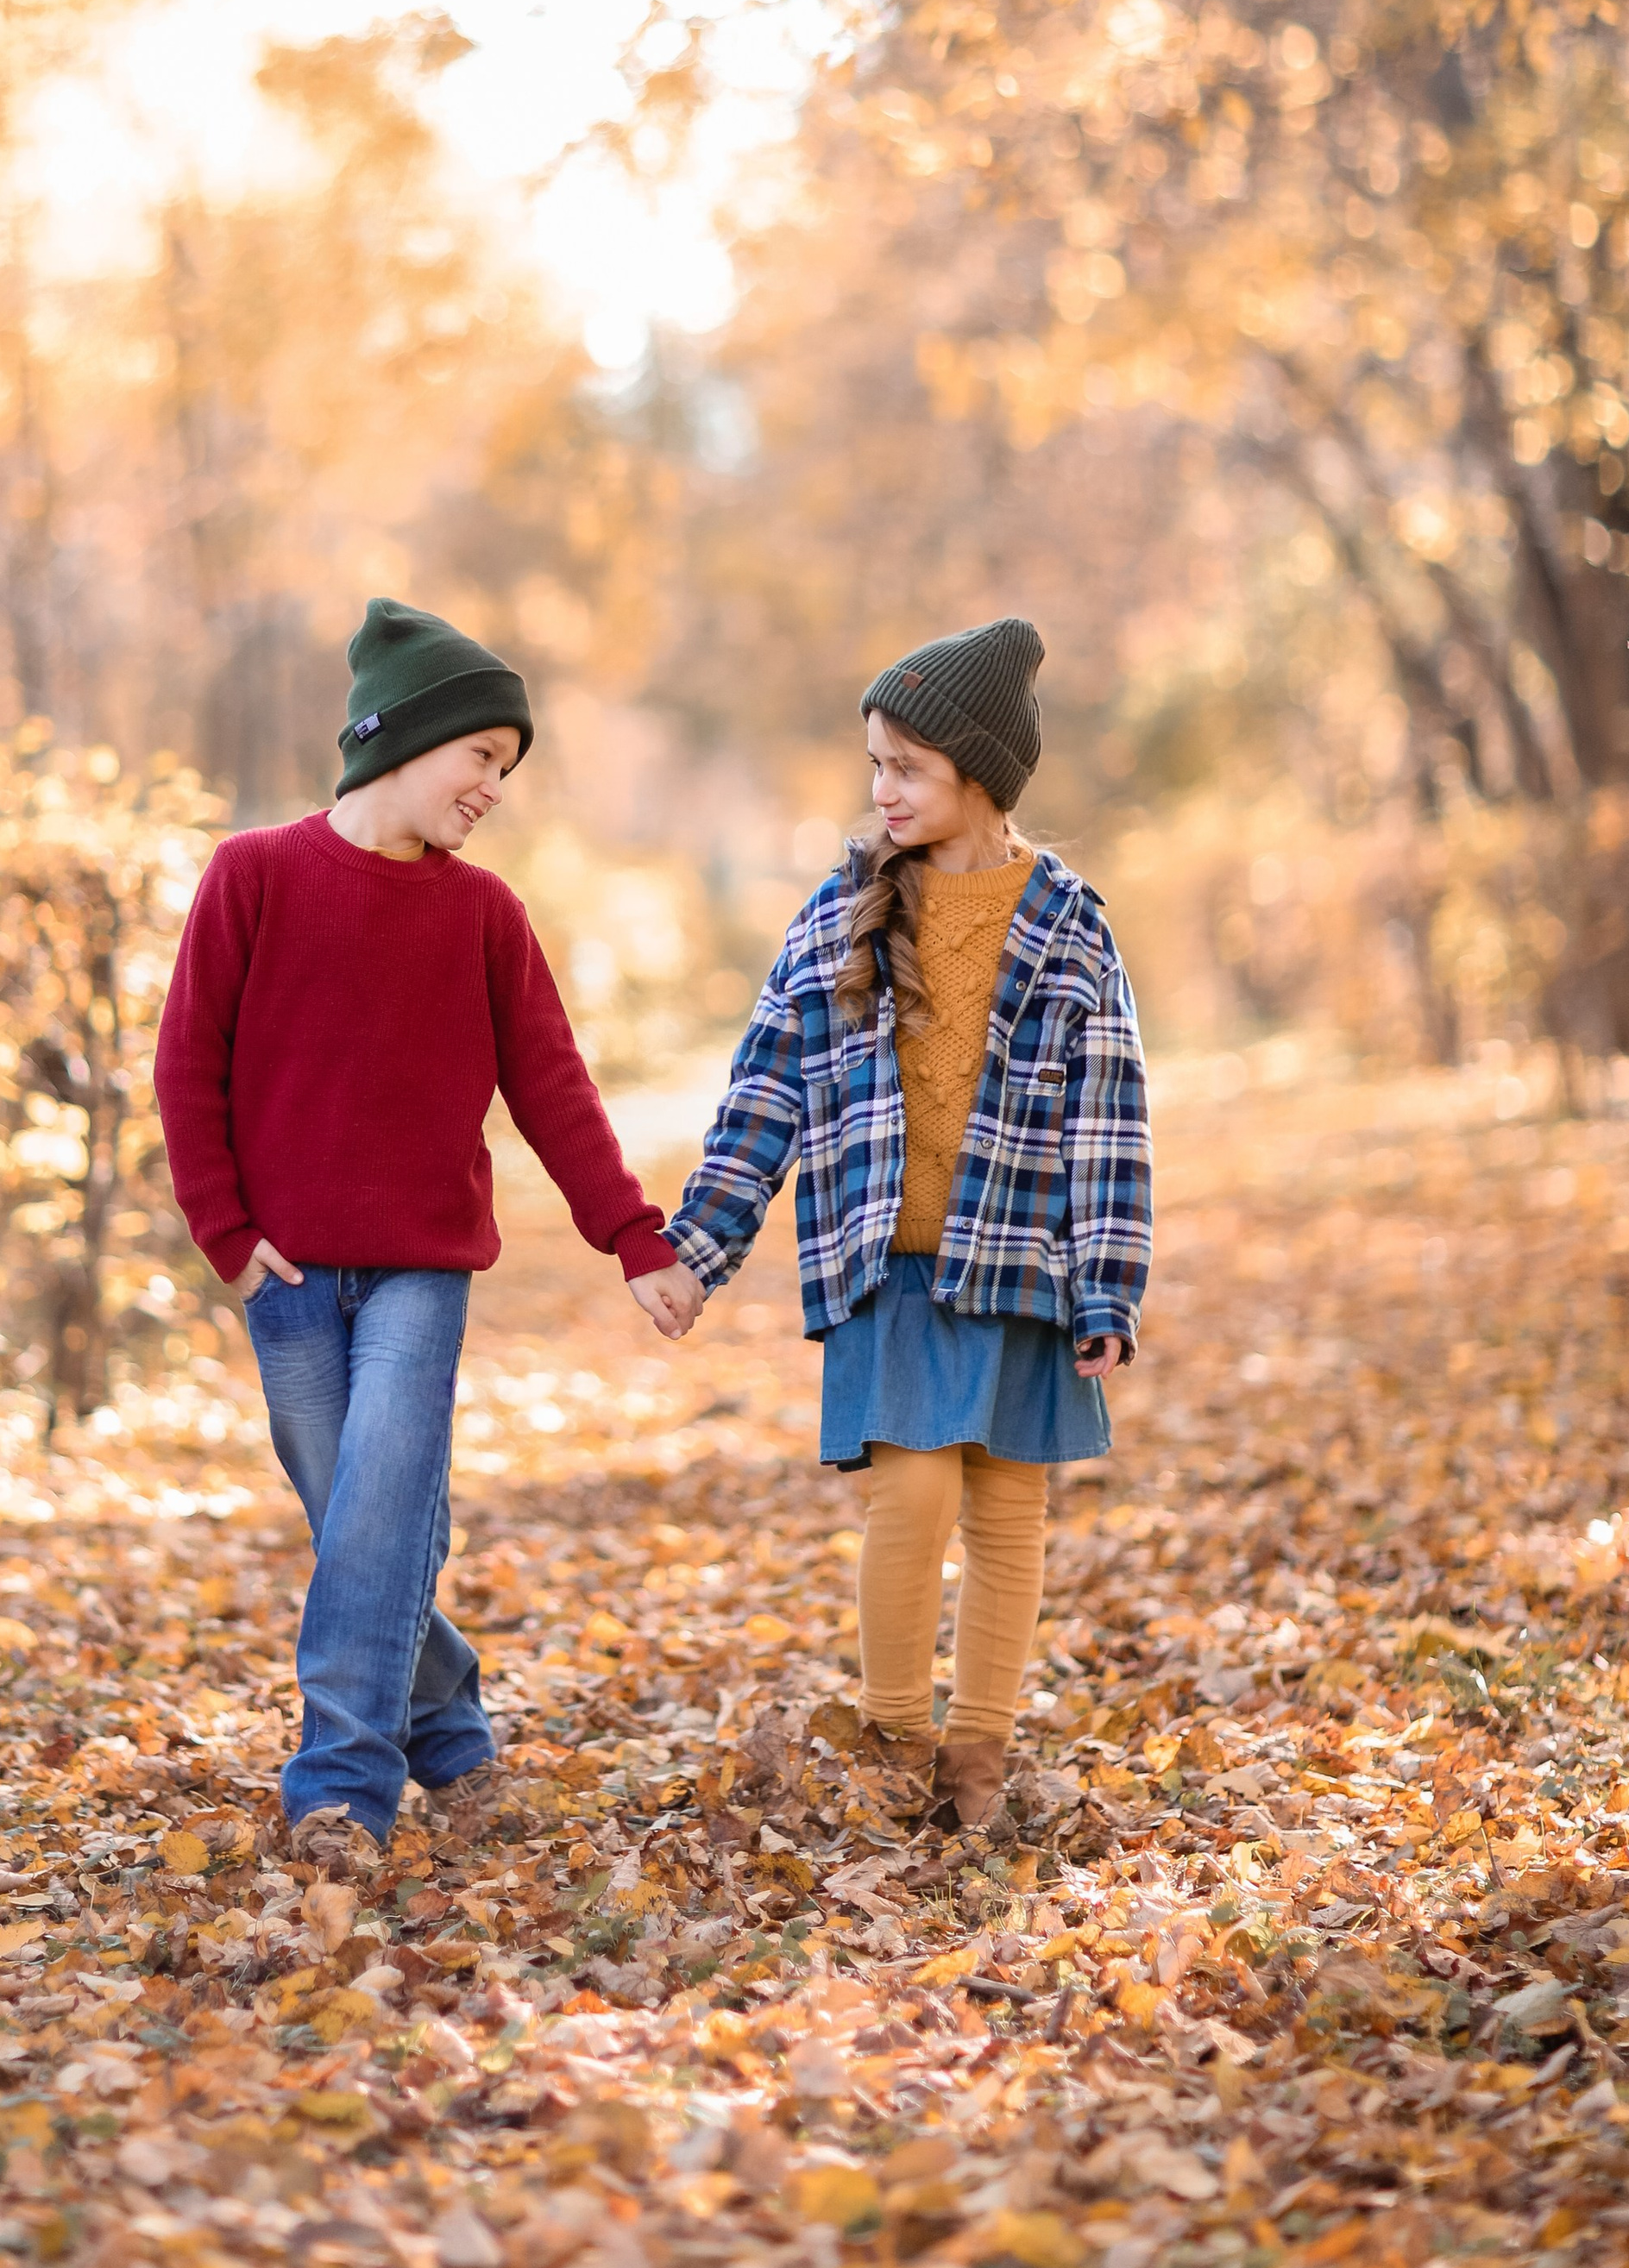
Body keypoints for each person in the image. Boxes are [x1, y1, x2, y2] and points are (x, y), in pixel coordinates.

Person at [154, 596, 695, 1868]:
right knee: (361, 1528)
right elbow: (189, 1065)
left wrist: (635, 1235)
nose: (494, 788)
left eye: (505, 769)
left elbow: (552, 1087)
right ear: (401, 741)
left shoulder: (483, 916)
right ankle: (449, 1732)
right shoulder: (256, 877)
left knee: (383, 1502)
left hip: (421, 1272)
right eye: (482, 759)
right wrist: (225, 1231)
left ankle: (342, 1787)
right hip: (285, 1271)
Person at [661, 618, 1151, 1831]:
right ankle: (894, 1740)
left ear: (981, 779)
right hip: (891, 1267)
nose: (882, 791)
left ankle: (976, 1762)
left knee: (1006, 1511)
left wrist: (1109, 1289)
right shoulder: (842, 915)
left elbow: (1110, 1120)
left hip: (1023, 1258)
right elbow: (765, 1088)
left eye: (909, 769)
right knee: (912, 1496)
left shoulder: (1072, 926)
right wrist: (700, 1248)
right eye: (875, 764)